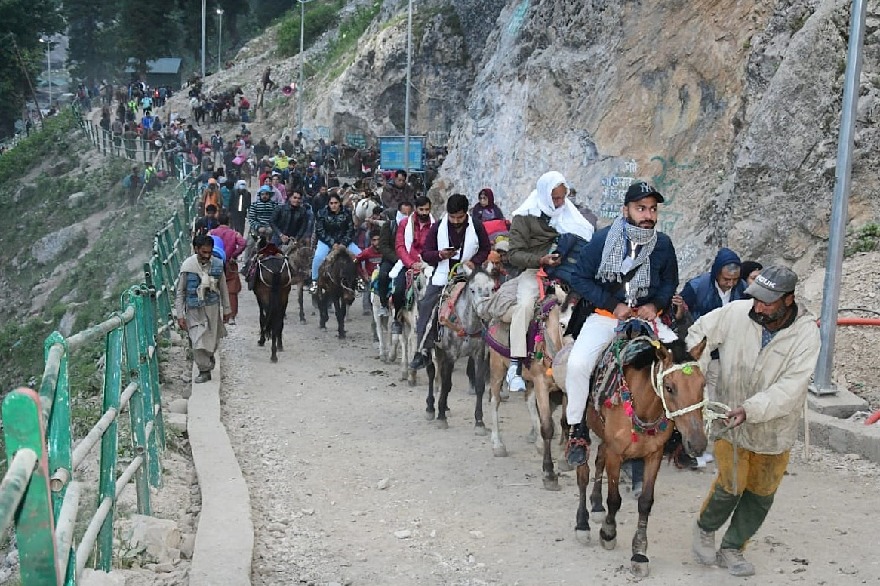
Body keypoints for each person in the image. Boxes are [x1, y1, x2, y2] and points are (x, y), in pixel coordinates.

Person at [689, 265, 820, 577]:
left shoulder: (806, 335)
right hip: (728, 418)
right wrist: (695, 374)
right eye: (756, 298)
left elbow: (790, 389)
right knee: (731, 484)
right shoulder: (736, 313)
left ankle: (733, 547)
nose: (758, 306)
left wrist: (750, 409)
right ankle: (705, 528)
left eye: (767, 302)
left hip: (774, 429)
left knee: (761, 493)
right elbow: (698, 337)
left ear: (788, 300)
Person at [564, 181, 679, 467]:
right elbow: (579, 278)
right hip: (606, 318)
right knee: (578, 365)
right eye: (641, 208)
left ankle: (680, 432)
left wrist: (655, 305)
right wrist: (612, 305)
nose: (648, 215)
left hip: (646, 319)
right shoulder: (602, 240)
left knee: (684, 363)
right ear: (625, 209)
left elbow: (669, 282)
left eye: (652, 209)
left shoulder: (663, 245)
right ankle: (577, 430)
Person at [506, 171, 595, 392]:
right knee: (525, 306)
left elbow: (584, 236)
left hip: (563, 272)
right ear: (545, 195)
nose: (560, 203)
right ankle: (515, 365)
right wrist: (540, 259)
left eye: (563, 198)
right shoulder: (524, 217)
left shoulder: (567, 215)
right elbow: (513, 254)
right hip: (533, 271)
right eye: (555, 198)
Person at [408, 193, 491, 370]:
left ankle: (490, 347)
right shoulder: (438, 227)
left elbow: (485, 248)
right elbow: (426, 254)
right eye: (452, 217)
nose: (455, 221)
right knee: (427, 306)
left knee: (486, 302)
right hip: (443, 275)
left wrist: (474, 261)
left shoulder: (476, 225)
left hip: (468, 276)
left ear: (466, 213)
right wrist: (440, 255)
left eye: (459, 217)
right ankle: (422, 350)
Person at [175, 234, 231, 383]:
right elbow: (180, 292)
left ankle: (209, 357)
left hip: (212, 307)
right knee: (197, 340)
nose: (207, 255)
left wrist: (226, 309)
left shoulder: (218, 265)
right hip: (194, 309)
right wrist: (180, 315)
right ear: (196, 249)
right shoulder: (188, 267)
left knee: (212, 339)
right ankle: (204, 370)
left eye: (209, 252)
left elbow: (223, 288)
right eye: (203, 252)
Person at [309, 193, 362, 292]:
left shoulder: (347, 213)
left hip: (344, 242)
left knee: (359, 254)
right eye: (331, 203)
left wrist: (343, 243)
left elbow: (350, 230)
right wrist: (332, 243)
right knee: (318, 257)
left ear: (340, 203)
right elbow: (320, 231)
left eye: (336, 203)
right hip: (326, 241)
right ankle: (314, 281)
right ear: (328, 204)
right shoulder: (321, 213)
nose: (333, 205)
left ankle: (359, 279)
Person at [209, 212, 247, 323]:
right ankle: (231, 316)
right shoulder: (234, 233)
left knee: (212, 287)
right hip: (229, 263)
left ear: (218, 222)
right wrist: (234, 255)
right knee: (232, 290)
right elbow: (243, 243)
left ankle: (214, 316)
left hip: (214, 262)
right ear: (229, 222)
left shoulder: (212, 232)